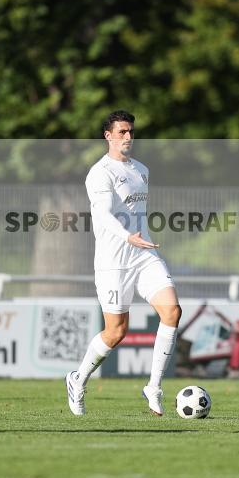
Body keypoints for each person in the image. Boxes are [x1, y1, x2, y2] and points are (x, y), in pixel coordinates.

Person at [66, 110, 182, 416]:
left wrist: (137, 238)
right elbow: (102, 214)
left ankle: (154, 387)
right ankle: (78, 379)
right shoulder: (99, 173)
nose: (128, 137)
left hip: (144, 256)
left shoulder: (141, 170)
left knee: (172, 311)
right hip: (113, 262)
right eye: (121, 132)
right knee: (116, 332)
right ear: (108, 136)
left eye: (130, 131)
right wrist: (126, 235)